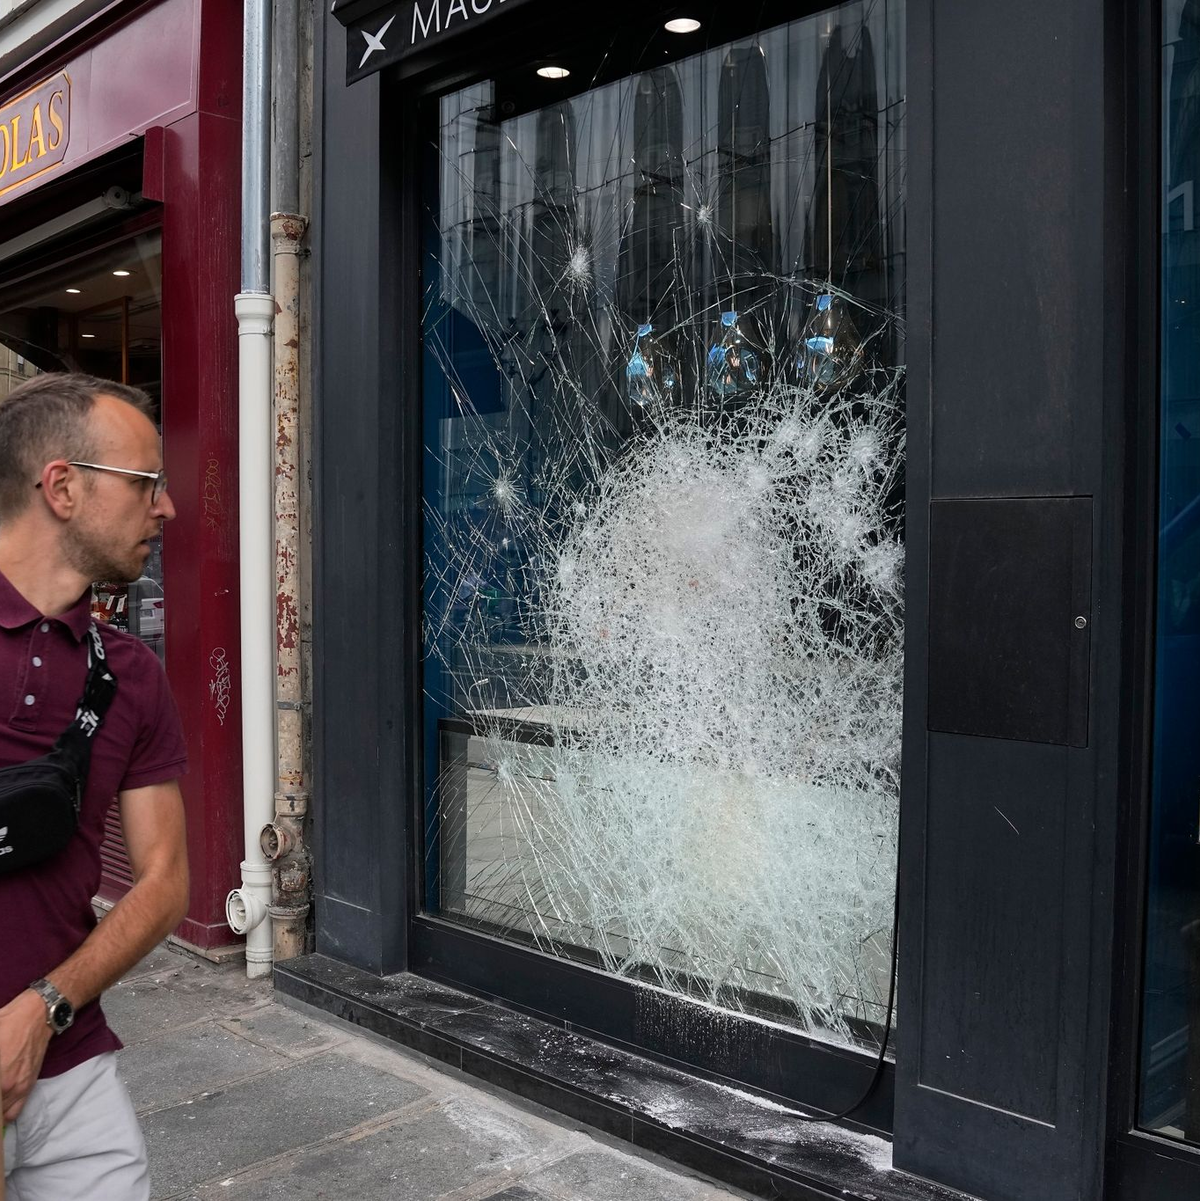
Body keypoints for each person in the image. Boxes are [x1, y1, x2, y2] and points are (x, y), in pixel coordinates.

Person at [0, 374, 189, 1201]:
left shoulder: (135, 676)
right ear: (63, 486)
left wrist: (45, 1006)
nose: (168, 508)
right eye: (146, 482)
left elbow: (166, 881)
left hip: (68, 1063)